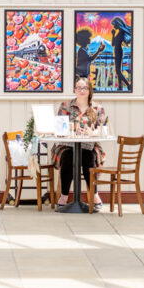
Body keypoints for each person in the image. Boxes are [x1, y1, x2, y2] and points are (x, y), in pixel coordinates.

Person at [53, 77, 108, 207]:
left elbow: (102, 130)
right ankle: (64, 196)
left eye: (84, 88)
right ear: (74, 90)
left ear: (89, 90)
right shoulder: (65, 106)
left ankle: (94, 196)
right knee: (68, 156)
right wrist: (71, 130)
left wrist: (91, 132)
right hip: (67, 145)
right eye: (79, 88)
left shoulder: (97, 108)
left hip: (89, 146)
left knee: (88, 156)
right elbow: (60, 127)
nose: (81, 90)